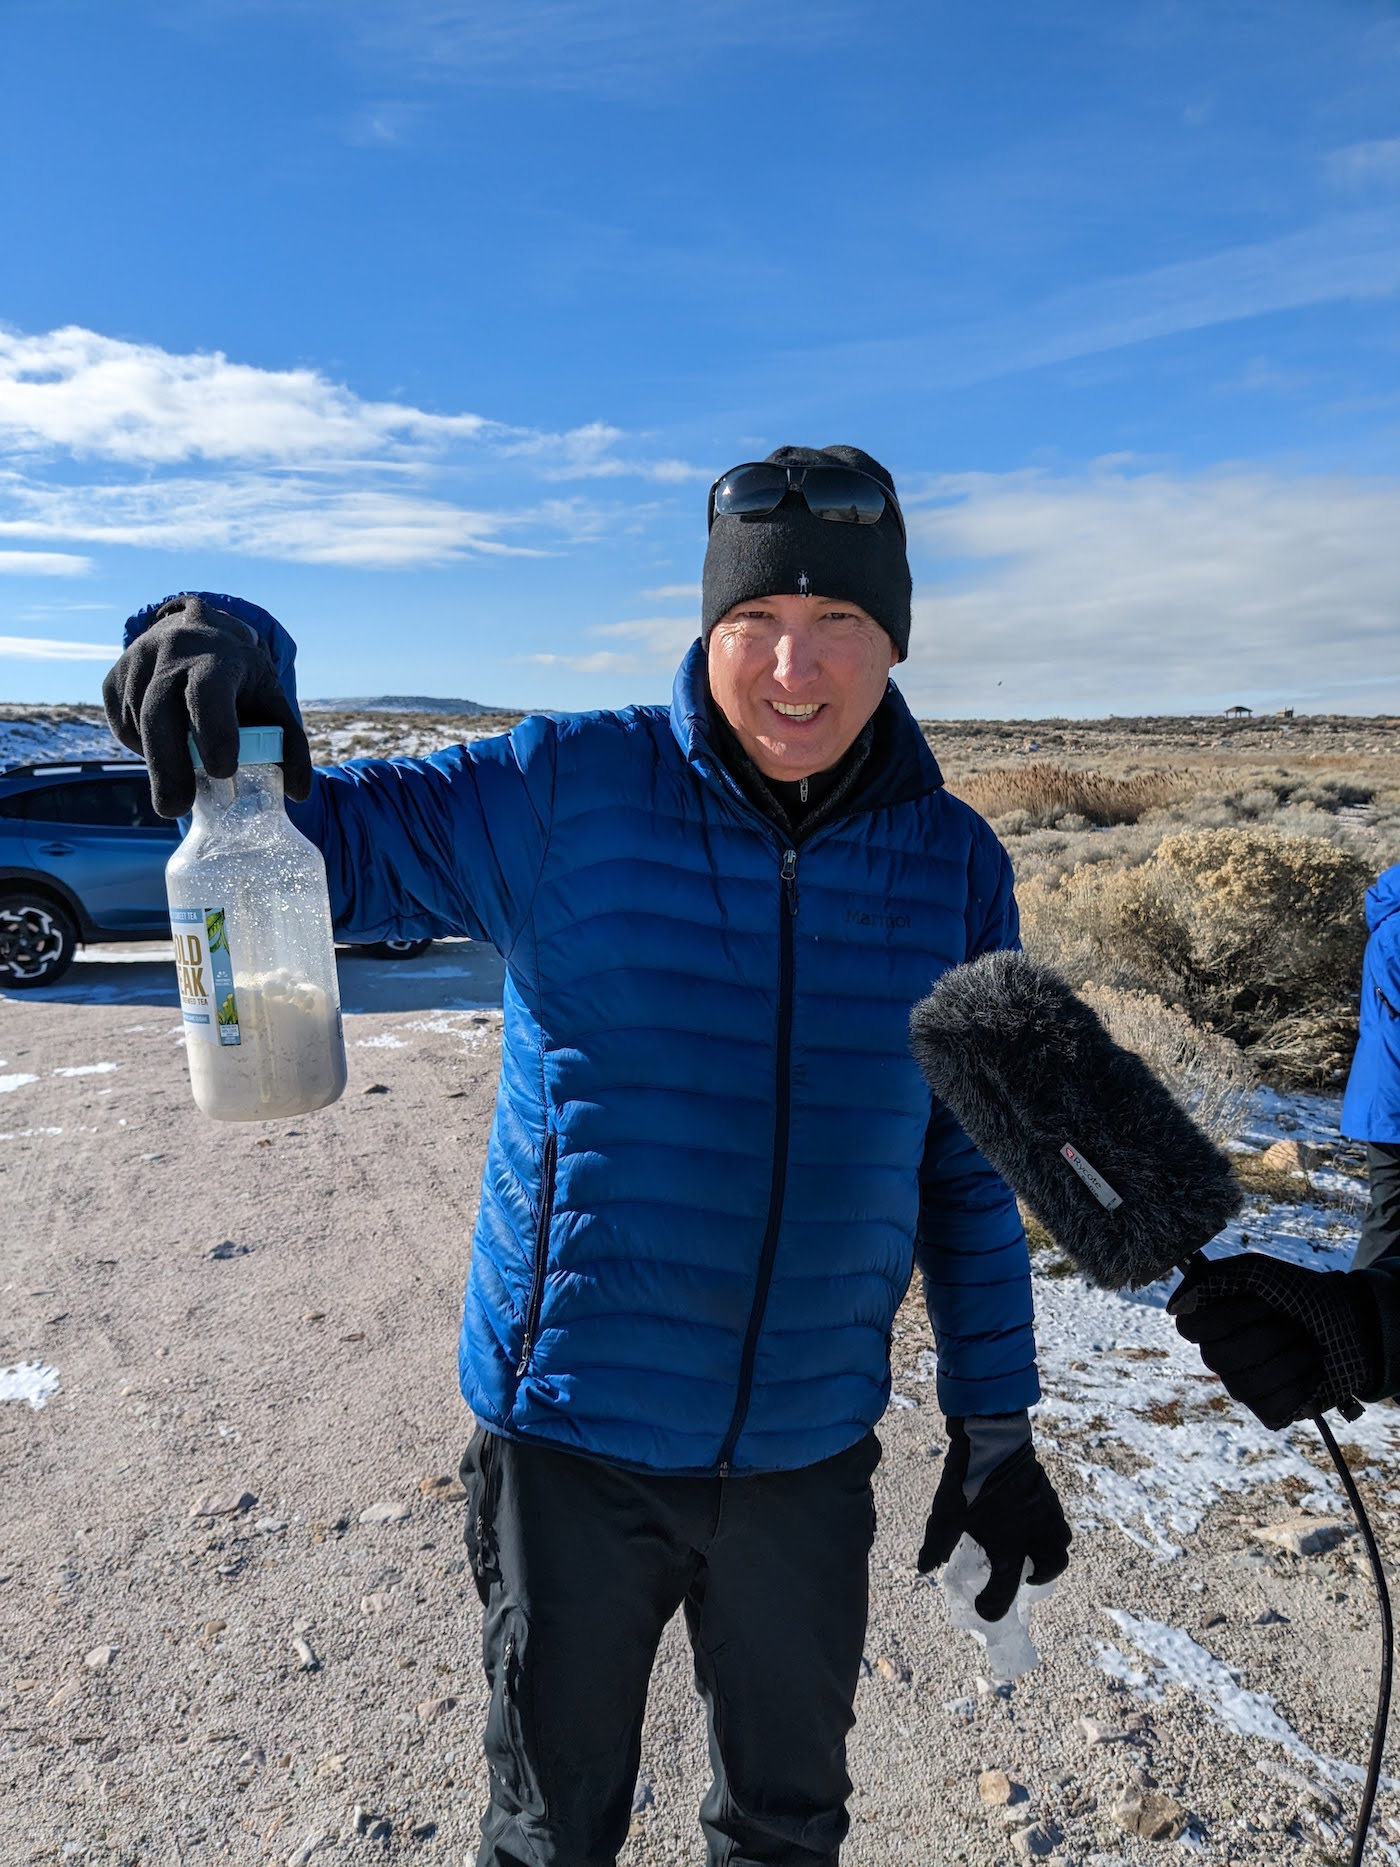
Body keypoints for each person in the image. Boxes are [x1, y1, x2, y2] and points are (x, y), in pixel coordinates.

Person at [104, 445, 1070, 1867]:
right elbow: (323, 848)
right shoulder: (565, 785)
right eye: (756, 623)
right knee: (554, 1829)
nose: (794, 667)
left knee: (788, 1823)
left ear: (897, 638)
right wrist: (232, 654)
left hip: (806, 1453)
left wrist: (998, 1424)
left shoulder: (954, 862)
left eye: (842, 625)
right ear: (707, 625)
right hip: (570, 1447)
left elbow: (972, 1173)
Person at [1171, 861, 1400, 1429]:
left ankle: (1371, 1320)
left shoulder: (1388, 918)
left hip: (1384, 1095)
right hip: (1392, 1100)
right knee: (1390, 1205)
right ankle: (1370, 1319)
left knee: (1389, 1204)